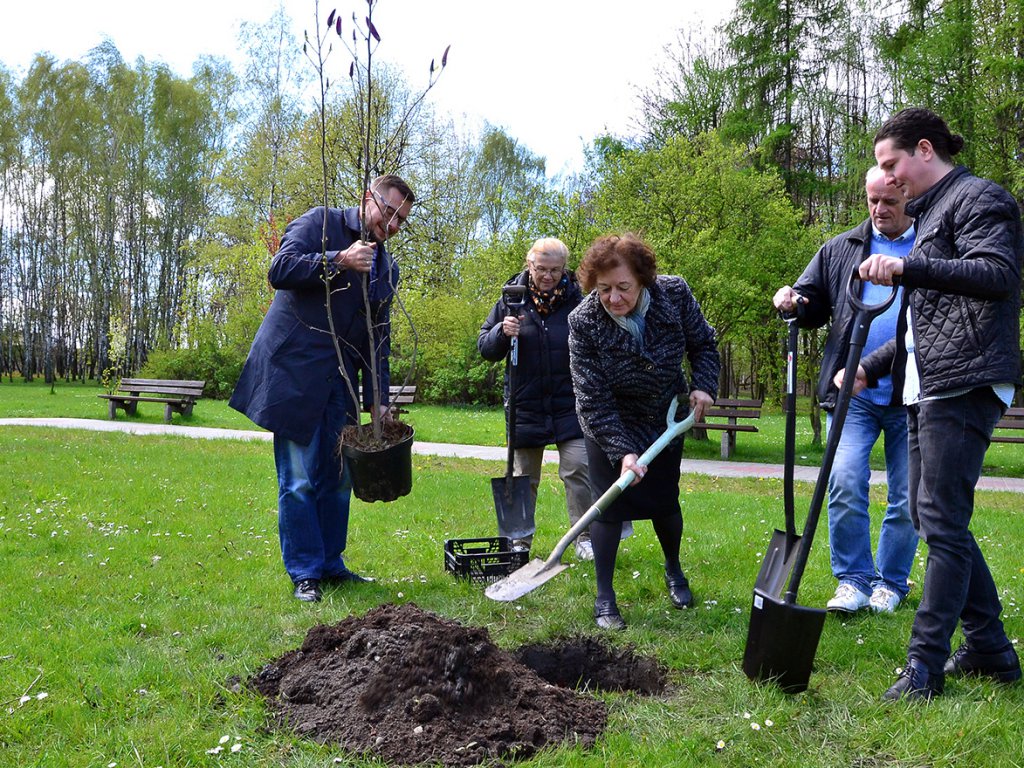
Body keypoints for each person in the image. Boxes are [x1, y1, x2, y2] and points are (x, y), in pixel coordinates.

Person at [842, 108, 1022, 700]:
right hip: (929, 383)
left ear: (924, 150)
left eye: (892, 165)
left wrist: (908, 265)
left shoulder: (978, 198)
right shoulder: (933, 211)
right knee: (933, 519)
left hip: (966, 382)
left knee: (941, 523)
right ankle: (991, 651)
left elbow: (996, 273)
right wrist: (870, 365)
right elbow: (927, 323)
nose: (887, 179)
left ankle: (924, 665)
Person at [229, 175, 415, 603]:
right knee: (297, 480)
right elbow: (280, 269)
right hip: (294, 373)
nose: (393, 226)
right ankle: (305, 572)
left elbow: (377, 340)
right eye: (389, 213)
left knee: (337, 477)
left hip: (342, 383)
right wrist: (339, 260)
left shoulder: (386, 267)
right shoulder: (320, 223)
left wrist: (379, 403)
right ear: (368, 199)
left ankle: (331, 565)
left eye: (402, 221)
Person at [773, 167, 918, 615]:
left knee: (907, 494)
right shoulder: (842, 247)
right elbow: (811, 300)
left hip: (910, 394)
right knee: (845, 479)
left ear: (909, 196)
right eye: (872, 201)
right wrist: (792, 300)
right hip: (850, 392)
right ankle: (854, 579)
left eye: (889, 202)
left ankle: (890, 584)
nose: (879, 210)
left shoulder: (929, 247)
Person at [568, 233, 719, 630]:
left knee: (665, 502)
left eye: (623, 288)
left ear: (643, 280)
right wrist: (623, 453)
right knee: (608, 507)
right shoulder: (583, 322)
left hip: (663, 418)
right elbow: (592, 397)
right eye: (604, 290)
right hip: (609, 422)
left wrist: (703, 384)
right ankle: (605, 597)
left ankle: (674, 569)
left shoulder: (675, 294)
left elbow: (703, 343)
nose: (614, 299)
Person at [478, 238, 596, 559]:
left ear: (564, 269)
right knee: (521, 477)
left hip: (569, 406)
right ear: (529, 265)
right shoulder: (511, 299)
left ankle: (585, 538)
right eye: (541, 268)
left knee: (578, 468)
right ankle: (518, 542)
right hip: (525, 405)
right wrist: (503, 332)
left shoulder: (578, 300)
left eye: (554, 270)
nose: (547, 276)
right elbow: (485, 348)